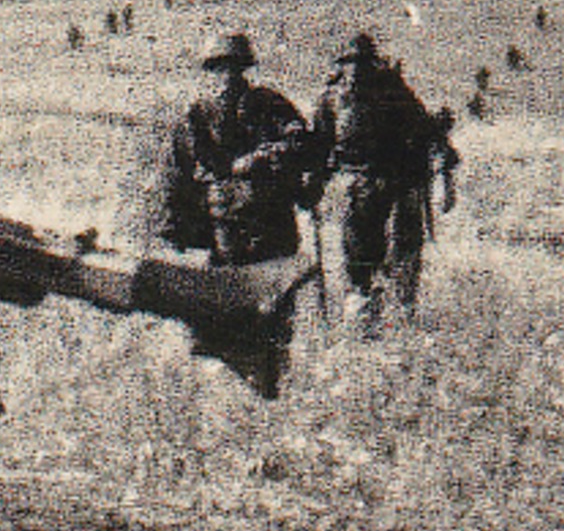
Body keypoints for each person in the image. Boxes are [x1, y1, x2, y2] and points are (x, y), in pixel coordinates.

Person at [309, 32, 444, 328]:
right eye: (349, 63)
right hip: (357, 188)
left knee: (403, 254)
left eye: (361, 63)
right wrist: (313, 184)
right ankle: (364, 321)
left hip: (397, 184)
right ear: (341, 66)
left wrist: (434, 161)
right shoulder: (331, 100)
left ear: (372, 64)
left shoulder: (394, 93)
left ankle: (404, 315)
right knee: (358, 259)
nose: (356, 69)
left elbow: (423, 130)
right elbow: (319, 147)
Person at [160, 30, 310, 268]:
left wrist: (269, 155)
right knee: (232, 282)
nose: (228, 75)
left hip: (272, 212)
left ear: (243, 68)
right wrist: (172, 226)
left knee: (278, 278)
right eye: (220, 68)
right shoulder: (199, 112)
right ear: (212, 71)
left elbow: (299, 139)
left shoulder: (270, 102)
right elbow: (178, 171)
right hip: (226, 216)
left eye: (234, 67)